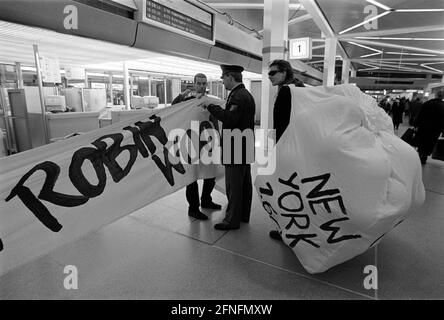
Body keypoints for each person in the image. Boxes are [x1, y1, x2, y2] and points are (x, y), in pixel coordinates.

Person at [199, 65, 255, 230]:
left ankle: (231, 220)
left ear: (231, 77)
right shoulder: (246, 94)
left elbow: (230, 119)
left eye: (223, 77)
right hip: (245, 143)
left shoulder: (237, 96)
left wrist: (210, 106)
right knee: (244, 183)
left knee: (234, 185)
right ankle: (244, 214)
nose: (222, 81)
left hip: (235, 145)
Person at [171, 73, 221, 220]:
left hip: (207, 143)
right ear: (194, 84)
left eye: (204, 83)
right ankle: (193, 208)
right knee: (191, 177)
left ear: (207, 85)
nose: (201, 86)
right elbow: (173, 108)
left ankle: (206, 199)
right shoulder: (187, 101)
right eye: (198, 83)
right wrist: (182, 95)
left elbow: (216, 118)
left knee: (210, 173)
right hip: (191, 142)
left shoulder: (211, 101)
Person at [267, 59, 298, 242]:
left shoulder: (287, 91)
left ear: (284, 72)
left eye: (273, 72)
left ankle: (287, 230)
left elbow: (283, 123)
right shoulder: (296, 88)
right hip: (295, 146)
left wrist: (277, 148)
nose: (269, 76)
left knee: (286, 189)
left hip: (286, 147)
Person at [414, 90, 444, 165]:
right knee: (430, 143)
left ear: (436, 95)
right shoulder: (442, 106)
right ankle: (424, 156)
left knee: (422, 141)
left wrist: (416, 124)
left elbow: (420, 115)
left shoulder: (427, 103)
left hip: (423, 127)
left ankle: (420, 154)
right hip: (435, 129)